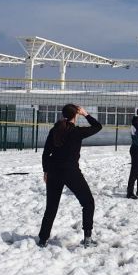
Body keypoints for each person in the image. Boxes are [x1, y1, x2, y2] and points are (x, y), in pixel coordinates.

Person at [38, 104, 102, 248]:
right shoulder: (77, 131)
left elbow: (46, 153)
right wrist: (86, 114)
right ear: (76, 115)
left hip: (53, 171)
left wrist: (46, 171)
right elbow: (98, 126)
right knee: (88, 202)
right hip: (70, 171)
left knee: (51, 207)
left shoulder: (55, 130)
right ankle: (87, 239)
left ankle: (43, 239)